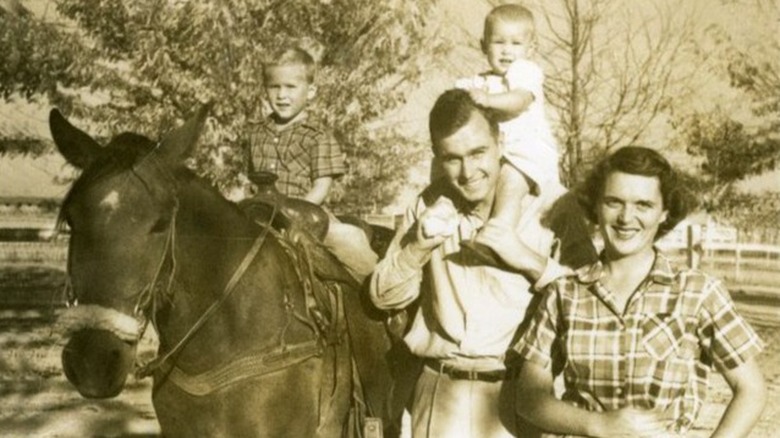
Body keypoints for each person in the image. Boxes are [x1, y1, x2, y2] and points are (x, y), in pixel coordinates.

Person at [511, 146, 767, 437]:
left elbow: (751, 390)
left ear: (664, 213)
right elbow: (529, 399)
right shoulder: (564, 293)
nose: (625, 217)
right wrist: (599, 425)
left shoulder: (698, 292)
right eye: (613, 202)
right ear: (596, 207)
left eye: (643, 205)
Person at [369, 89, 568, 437]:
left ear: (500, 142)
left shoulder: (552, 207)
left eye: (478, 153)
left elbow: (587, 305)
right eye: (452, 158)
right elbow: (382, 297)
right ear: (436, 157)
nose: (468, 171)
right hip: (441, 393)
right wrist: (418, 246)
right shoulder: (428, 205)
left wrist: (529, 260)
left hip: (519, 396)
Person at [244, 45, 376, 281]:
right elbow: (250, 180)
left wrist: (293, 213)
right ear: (265, 89)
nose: (282, 95)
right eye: (274, 87)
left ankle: (376, 294)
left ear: (311, 91)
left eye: (290, 87)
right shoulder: (255, 133)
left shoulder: (318, 136)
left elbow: (321, 187)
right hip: (261, 215)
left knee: (350, 239)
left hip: (308, 215)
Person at [453, 4, 565, 265]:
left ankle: (499, 231)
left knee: (512, 181)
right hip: (500, 152)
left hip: (528, 150)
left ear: (531, 49)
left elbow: (519, 101)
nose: (506, 50)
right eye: (498, 41)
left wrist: (487, 100)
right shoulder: (479, 82)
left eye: (516, 43)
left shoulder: (525, 72)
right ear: (484, 45)